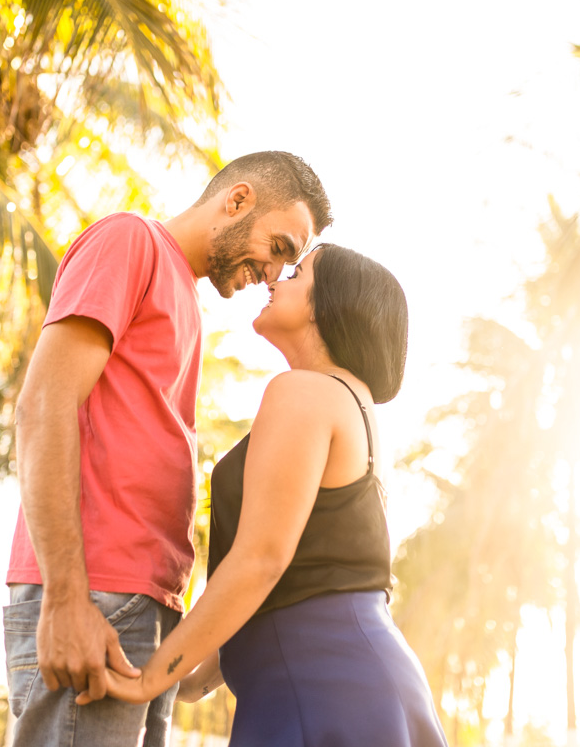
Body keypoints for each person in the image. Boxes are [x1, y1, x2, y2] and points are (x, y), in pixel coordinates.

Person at [4, 151, 333, 747]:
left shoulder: (185, 298)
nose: (276, 273)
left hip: (144, 611)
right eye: (280, 247)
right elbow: (43, 406)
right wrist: (66, 596)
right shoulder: (131, 241)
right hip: (94, 596)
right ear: (237, 201)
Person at [84, 244, 449, 747]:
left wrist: (151, 678)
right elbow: (307, 574)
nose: (276, 280)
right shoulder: (351, 404)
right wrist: (192, 678)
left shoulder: (304, 391)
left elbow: (262, 560)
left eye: (298, 273)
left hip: (322, 687)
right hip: (345, 681)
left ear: (332, 303)